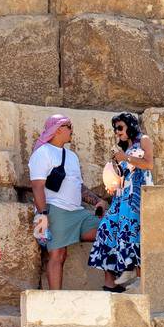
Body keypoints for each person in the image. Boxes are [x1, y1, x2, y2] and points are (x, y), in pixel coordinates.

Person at [29, 115, 106, 290]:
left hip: (78, 213)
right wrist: (42, 216)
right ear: (58, 130)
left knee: (107, 231)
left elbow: (78, 185)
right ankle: (55, 299)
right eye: (69, 126)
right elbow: (37, 186)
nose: (72, 130)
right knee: (58, 255)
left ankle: (111, 284)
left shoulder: (71, 156)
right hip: (56, 210)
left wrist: (97, 201)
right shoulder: (42, 153)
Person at [88, 113, 154, 292]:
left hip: (136, 197)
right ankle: (122, 272)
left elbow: (149, 164)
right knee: (106, 228)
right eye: (115, 129)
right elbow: (122, 175)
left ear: (130, 125)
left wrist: (125, 158)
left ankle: (138, 279)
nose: (117, 132)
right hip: (121, 196)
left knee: (133, 232)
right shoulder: (125, 148)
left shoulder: (144, 140)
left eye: (120, 127)